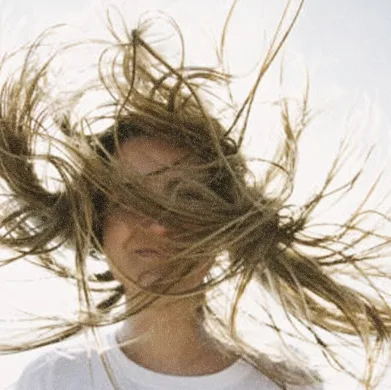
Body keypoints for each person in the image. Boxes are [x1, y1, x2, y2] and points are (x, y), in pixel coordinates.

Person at [2, 1, 390, 389]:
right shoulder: (53, 379)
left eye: (185, 199)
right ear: (98, 224)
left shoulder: (287, 384)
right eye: (128, 198)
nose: (156, 223)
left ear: (223, 227)